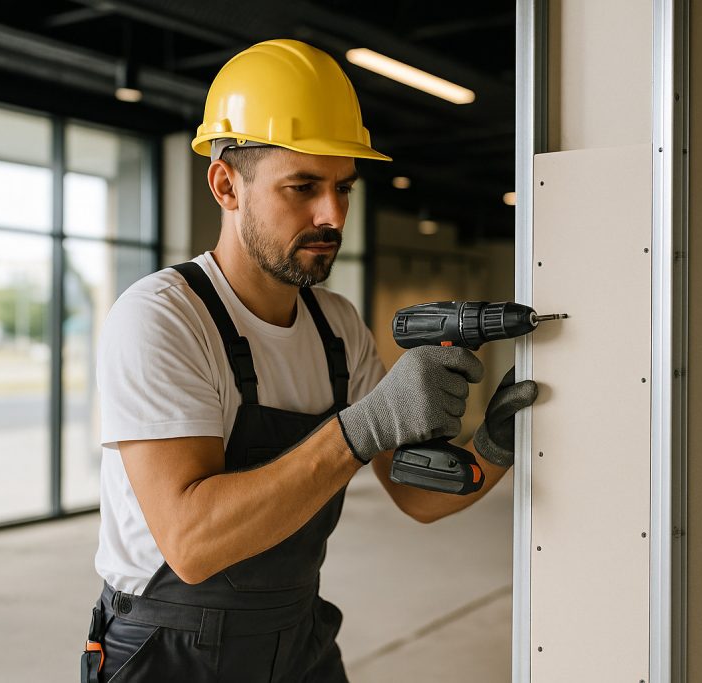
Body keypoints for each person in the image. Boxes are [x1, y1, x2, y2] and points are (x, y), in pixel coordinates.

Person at [81, 38, 538, 683]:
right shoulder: (163, 317)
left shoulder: (336, 326)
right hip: (171, 649)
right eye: (303, 187)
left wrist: (494, 444)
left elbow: (415, 494)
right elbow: (191, 543)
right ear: (226, 185)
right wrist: (361, 427)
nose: (333, 215)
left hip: (297, 636)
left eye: (343, 188)